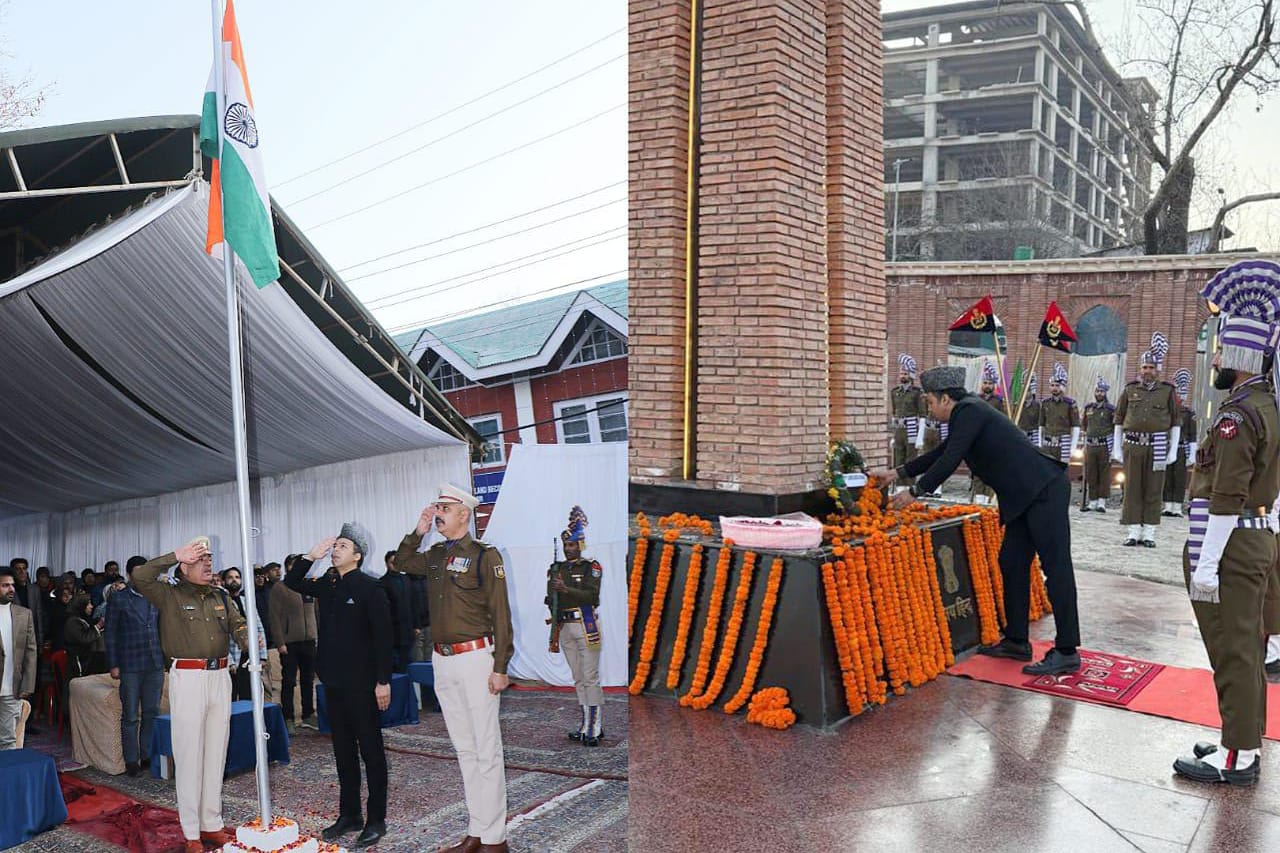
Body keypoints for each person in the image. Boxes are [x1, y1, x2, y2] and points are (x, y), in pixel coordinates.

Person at [873, 365, 1082, 676]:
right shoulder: (967, 414)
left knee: (1056, 567)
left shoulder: (969, 411)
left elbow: (950, 457)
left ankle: (1067, 650)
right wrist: (897, 473)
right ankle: (1016, 640)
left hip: (1044, 490)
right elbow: (943, 451)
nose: (929, 408)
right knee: (1011, 561)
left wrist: (916, 491)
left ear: (945, 399)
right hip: (1023, 497)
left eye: (930, 401)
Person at [1174, 263, 1280, 786]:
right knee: (1247, 646)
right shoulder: (1267, 405)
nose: (1215, 358)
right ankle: (1241, 740)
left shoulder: (1238, 415)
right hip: (1254, 538)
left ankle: (1238, 755)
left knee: (1234, 649)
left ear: (1239, 354)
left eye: (1220, 350)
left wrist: (1208, 563)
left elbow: (1228, 493)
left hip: (1233, 543)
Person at [395, 484, 514, 853]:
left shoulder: (484, 555)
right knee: (465, 750)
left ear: (465, 513)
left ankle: (495, 840)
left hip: (477, 658)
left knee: (486, 749)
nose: (439, 512)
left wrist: (501, 665)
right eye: (437, 507)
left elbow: (501, 613)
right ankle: (477, 831)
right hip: (442, 659)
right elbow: (400, 562)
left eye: (445, 507)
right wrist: (419, 530)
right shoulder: (433, 555)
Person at [133, 537, 246, 852]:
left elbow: (237, 626)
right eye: (199, 559)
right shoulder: (168, 595)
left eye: (209, 558)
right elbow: (140, 576)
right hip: (189, 676)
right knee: (189, 755)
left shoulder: (221, 596)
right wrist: (173, 555)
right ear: (183, 565)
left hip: (221, 677)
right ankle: (191, 832)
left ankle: (212, 823)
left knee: (215, 753)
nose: (208, 563)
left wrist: (249, 641)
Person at [285, 524, 391, 849]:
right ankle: (350, 815)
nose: (336, 550)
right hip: (334, 682)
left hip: (362, 684)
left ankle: (375, 820)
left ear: (357, 555)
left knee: (371, 753)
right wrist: (310, 556)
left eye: (343, 546)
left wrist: (382, 682)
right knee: (343, 752)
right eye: (336, 546)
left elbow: (383, 639)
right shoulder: (330, 584)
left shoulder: (371, 588)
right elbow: (291, 582)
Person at [547, 506, 605, 745]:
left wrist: (565, 590)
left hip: (586, 624)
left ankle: (595, 727)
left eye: (572, 545)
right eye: (566, 545)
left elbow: (592, 597)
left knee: (590, 676)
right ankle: (585, 724)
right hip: (565, 627)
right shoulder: (556, 569)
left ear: (579, 545)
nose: (568, 549)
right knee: (578, 677)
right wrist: (553, 597)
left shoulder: (591, 567)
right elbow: (551, 600)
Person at [1114, 344, 1178, 547]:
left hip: (1157, 445)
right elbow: (1119, 419)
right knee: (1132, 487)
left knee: (1153, 488)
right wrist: (1116, 448)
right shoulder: (1130, 389)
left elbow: (1176, 422)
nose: (1147, 371)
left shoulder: (1167, 391)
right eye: (1144, 367)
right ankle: (1133, 531)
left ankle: (1149, 532)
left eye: (1151, 367)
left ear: (1157, 369)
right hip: (1133, 444)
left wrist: (1173, 449)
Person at [105, 555, 164, 776]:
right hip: (129, 664)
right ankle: (131, 759)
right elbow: (110, 633)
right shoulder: (119, 598)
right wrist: (113, 663)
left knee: (151, 711)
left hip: (154, 663)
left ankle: (146, 754)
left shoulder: (155, 595)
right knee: (130, 715)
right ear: (129, 574)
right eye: (137, 572)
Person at [269, 559, 318, 734]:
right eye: (294, 565)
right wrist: (280, 642)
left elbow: (316, 612)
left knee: (308, 679)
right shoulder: (280, 588)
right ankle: (288, 718)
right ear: (288, 567)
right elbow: (274, 617)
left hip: (309, 640)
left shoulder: (310, 585)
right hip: (289, 642)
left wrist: (317, 634)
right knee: (289, 681)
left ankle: (308, 715)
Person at [0, 568, 37, 750]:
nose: (11, 589)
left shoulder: (24, 614)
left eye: (12, 585)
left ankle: (5, 777)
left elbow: (31, 652)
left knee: (9, 739)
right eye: (5, 585)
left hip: (11, 688)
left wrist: (27, 685)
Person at [221, 568, 267, 702]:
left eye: (237, 577)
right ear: (224, 581)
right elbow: (221, 634)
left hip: (249, 657)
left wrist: (262, 656)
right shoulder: (221, 602)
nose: (234, 580)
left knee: (249, 695)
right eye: (230, 577)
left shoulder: (247, 601)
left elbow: (259, 628)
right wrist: (229, 661)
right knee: (231, 698)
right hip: (231, 658)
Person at [1163, 368, 1198, 517]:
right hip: (1167, 446)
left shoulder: (1189, 414)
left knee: (1179, 477)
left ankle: (1177, 506)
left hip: (1182, 448)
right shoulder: (1166, 412)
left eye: (1181, 395)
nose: (1179, 398)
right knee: (1167, 476)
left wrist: (1192, 454)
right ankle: (1167, 505)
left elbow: (1192, 434)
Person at [971, 359, 1007, 506]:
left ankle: (987, 499)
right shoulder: (975, 399)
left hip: (992, 440)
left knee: (991, 470)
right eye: (985, 383)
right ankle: (978, 499)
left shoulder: (999, 401)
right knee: (978, 470)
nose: (987, 386)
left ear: (994, 385)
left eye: (990, 383)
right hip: (978, 439)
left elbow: (1003, 422)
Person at [889, 353, 926, 486]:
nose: (902, 376)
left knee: (910, 460)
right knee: (898, 459)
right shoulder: (894, 392)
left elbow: (923, 415)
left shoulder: (917, 392)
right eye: (901, 373)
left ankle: (909, 486)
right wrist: (893, 435)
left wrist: (920, 437)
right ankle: (899, 487)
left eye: (905, 373)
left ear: (911, 375)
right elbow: (894, 414)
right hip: (899, 429)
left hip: (911, 428)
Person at [1081, 376, 1117, 512]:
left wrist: (1114, 449)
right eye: (1097, 391)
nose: (1099, 394)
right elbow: (1085, 426)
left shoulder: (1110, 409)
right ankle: (1092, 501)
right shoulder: (1089, 408)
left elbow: (1114, 428)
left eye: (1101, 392)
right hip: (1091, 444)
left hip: (1104, 444)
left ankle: (1102, 501)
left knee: (1104, 474)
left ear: (1105, 393)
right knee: (1091, 473)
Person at [381, 551, 417, 674]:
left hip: (408, 631)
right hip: (392, 633)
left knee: (409, 666)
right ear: (386, 564)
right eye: (392, 562)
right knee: (395, 669)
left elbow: (413, 603)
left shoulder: (407, 579)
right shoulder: (382, 583)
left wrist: (416, 625)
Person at [1039, 362, 1079, 465]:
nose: (1054, 388)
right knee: (1046, 469)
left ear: (1063, 386)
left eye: (1057, 385)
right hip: (1047, 443)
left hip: (1063, 444)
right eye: (1052, 385)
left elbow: (1075, 426)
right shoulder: (1045, 403)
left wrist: (1073, 447)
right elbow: (1041, 425)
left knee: (1062, 472)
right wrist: (1039, 443)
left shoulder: (1070, 404)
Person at [64, 592, 106, 679]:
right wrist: (98, 626)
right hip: (79, 663)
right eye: (88, 604)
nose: (91, 606)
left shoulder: (83, 619)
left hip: (88, 661)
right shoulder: (72, 622)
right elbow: (84, 638)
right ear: (81, 606)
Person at [1016, 374, 1041, 448]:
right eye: (1024, 390)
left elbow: (1040, 423)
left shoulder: (1038, 406)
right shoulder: (1016, 405)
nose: (1026, 392)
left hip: (1034, 436)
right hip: (1020, 435)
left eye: (1028, 390)